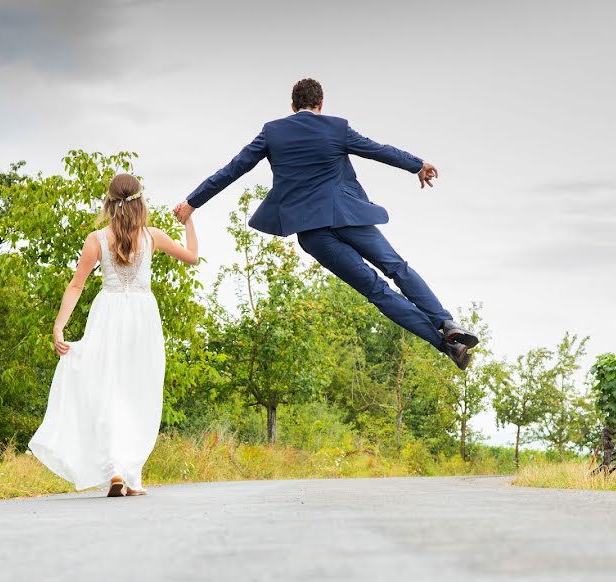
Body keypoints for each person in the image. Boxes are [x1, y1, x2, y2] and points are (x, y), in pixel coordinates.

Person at [174, 78, 477, 369]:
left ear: (293, 107)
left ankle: (448, 347)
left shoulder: (272, 132)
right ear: (321, 104)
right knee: (398, 267)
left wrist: (192, 202)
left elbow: (232, 170)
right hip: (350, 217)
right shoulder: (336, 128)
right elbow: (378, 150)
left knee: (376, 291)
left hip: (313, 232)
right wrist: (417, 165)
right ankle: (445, 322)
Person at [29, 173, 199, 497]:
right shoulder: (152, 236)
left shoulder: (96, 239)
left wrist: (59, 326)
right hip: (142, 318)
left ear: (109, 202)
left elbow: (76, 284)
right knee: (136, 392)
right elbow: (192, 256)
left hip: (107, 314)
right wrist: (188, 221)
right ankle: (126, 472)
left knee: (107, 389)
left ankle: (117, 471)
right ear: (141, 202)